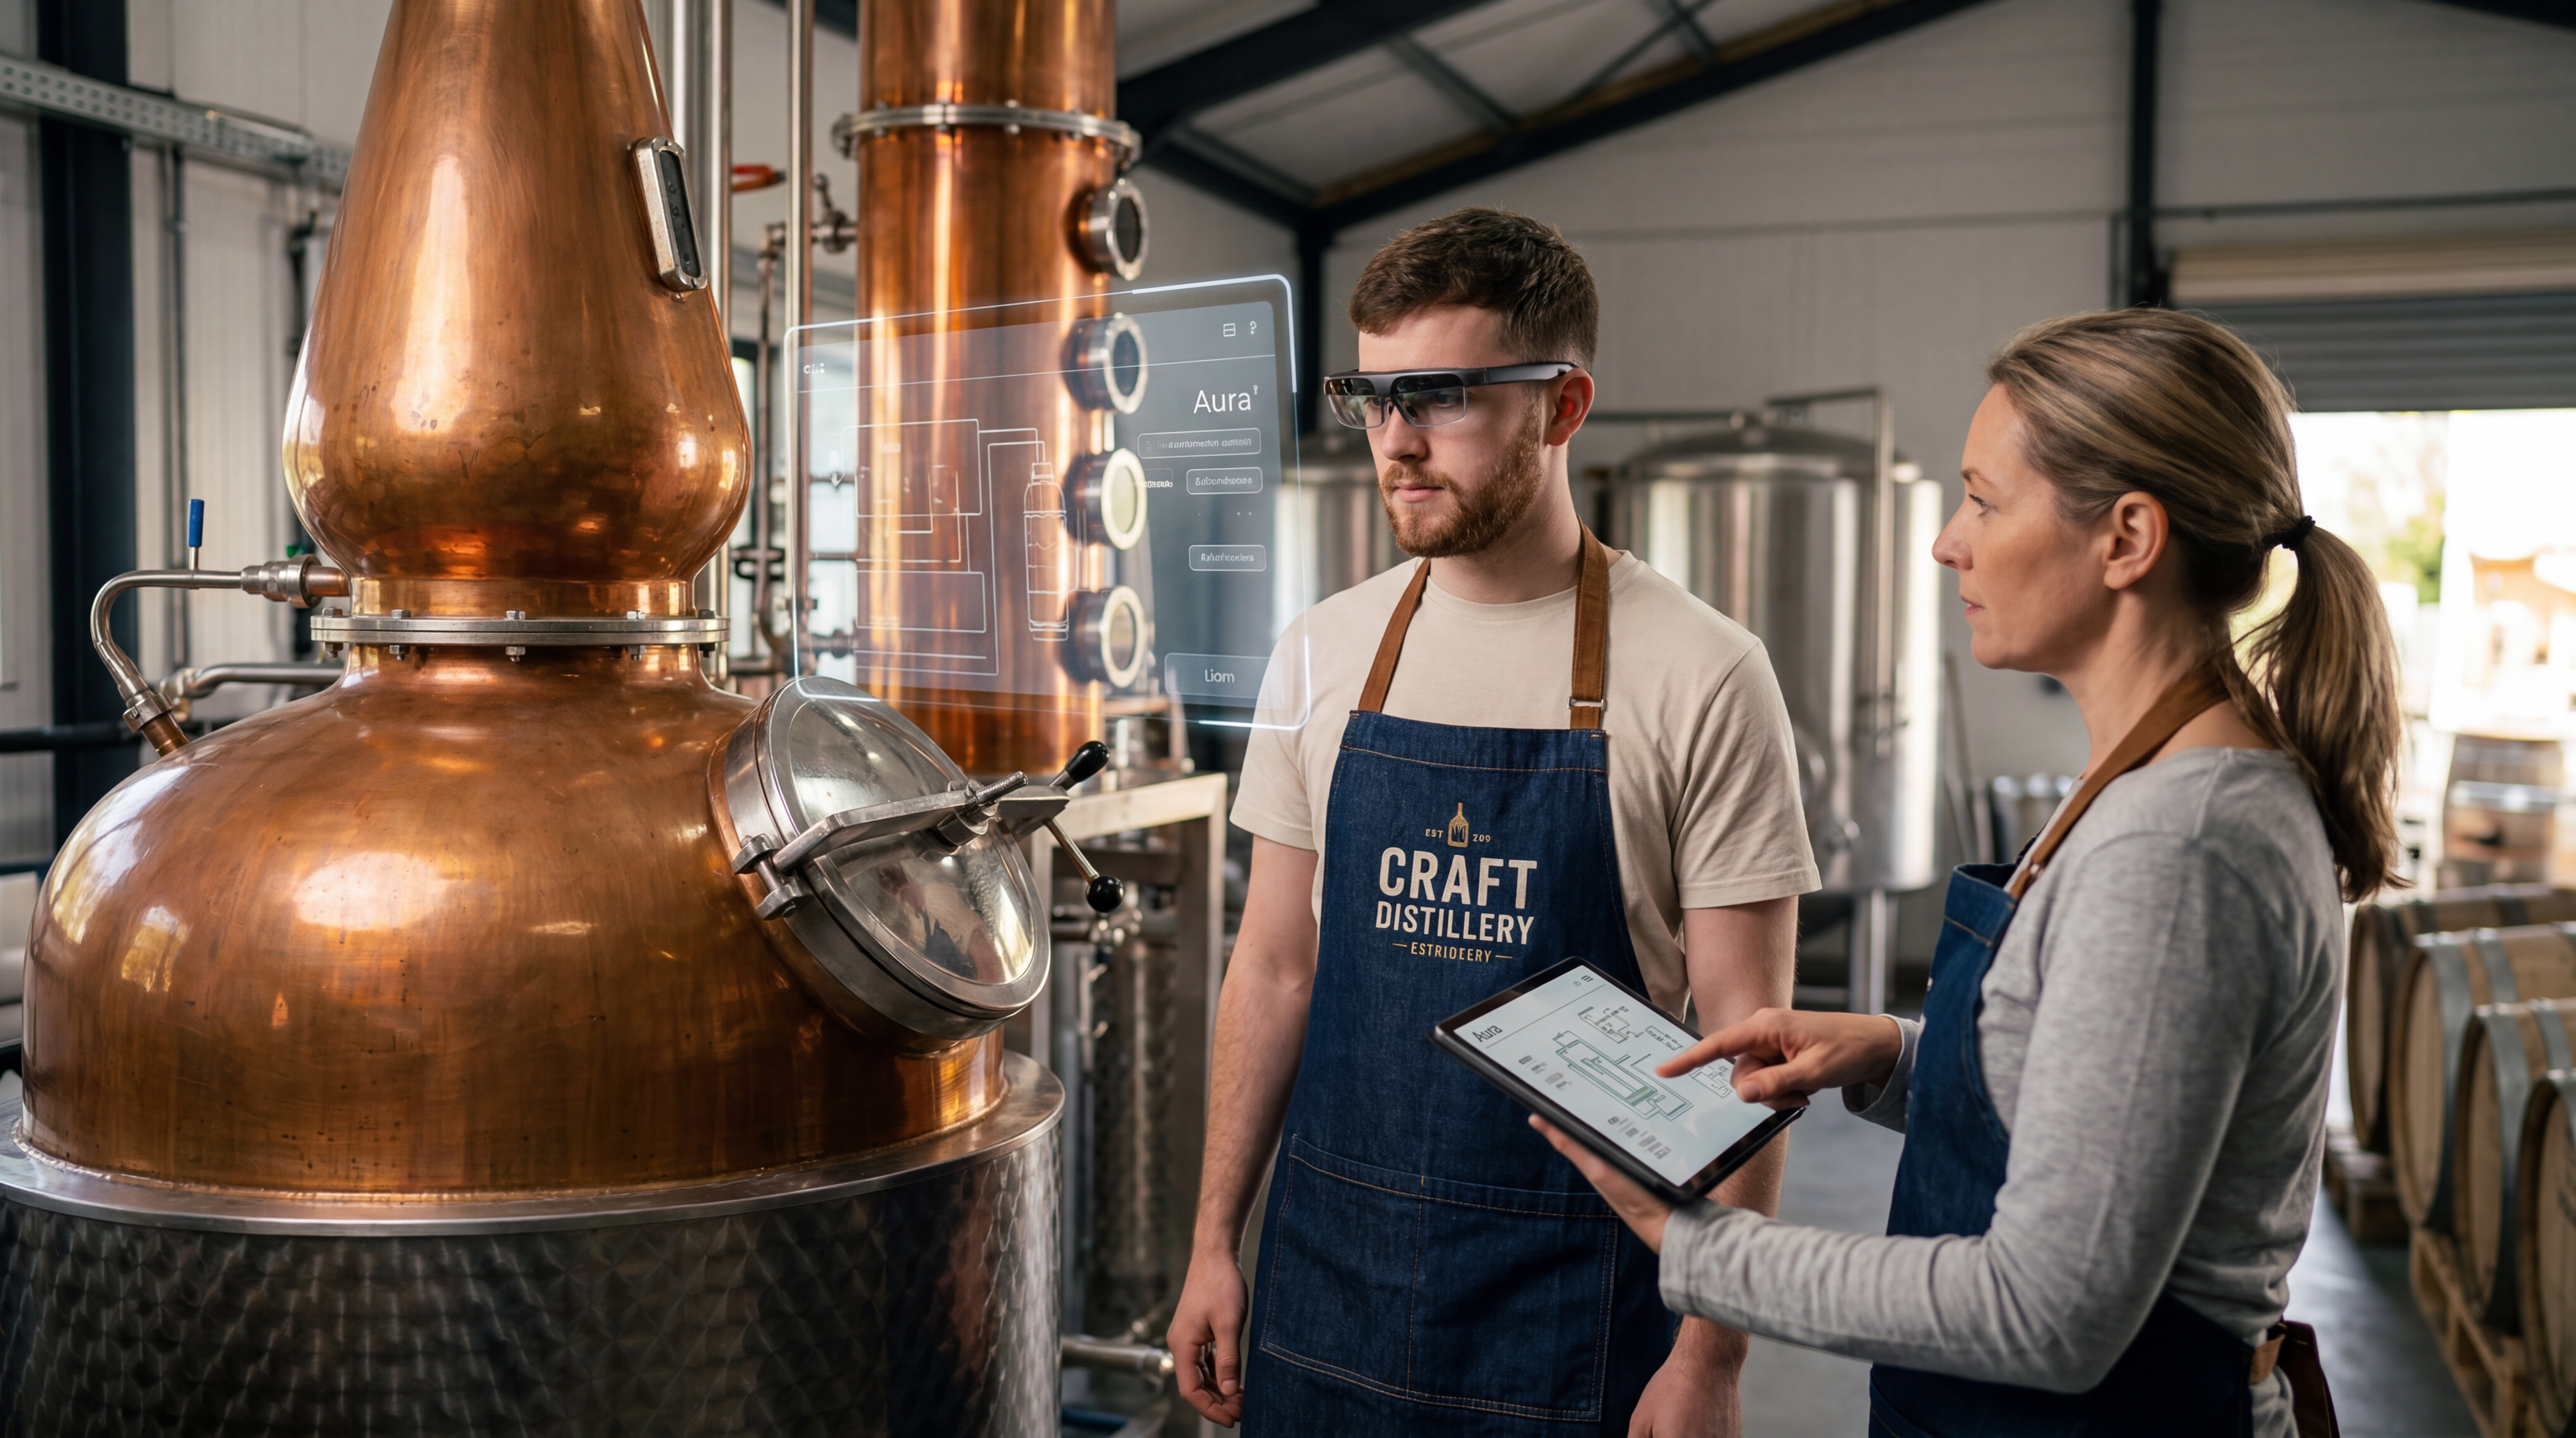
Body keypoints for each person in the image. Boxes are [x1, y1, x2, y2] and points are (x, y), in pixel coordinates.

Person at [1535, 307, 2386, 1438]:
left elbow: (2048, 1311)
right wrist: (1893, 1057)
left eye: (1985, 500)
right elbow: (2117, 1101)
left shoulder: (2180, 849)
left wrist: (1695, 1247)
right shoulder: (2149, 785)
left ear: (2128, 540)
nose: (1947, 542)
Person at [1165, 207, 1820, 1436]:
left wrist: (1713, 1354)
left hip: (1572, 1303)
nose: (1397, 443)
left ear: (1562, 405)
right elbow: (1274, 965)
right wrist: (1213, 1239)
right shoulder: (1325, 648)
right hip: (1329, 1279)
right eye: (1374, 395)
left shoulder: (1703, 672)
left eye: (1444, 397)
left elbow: (1749, 1044)